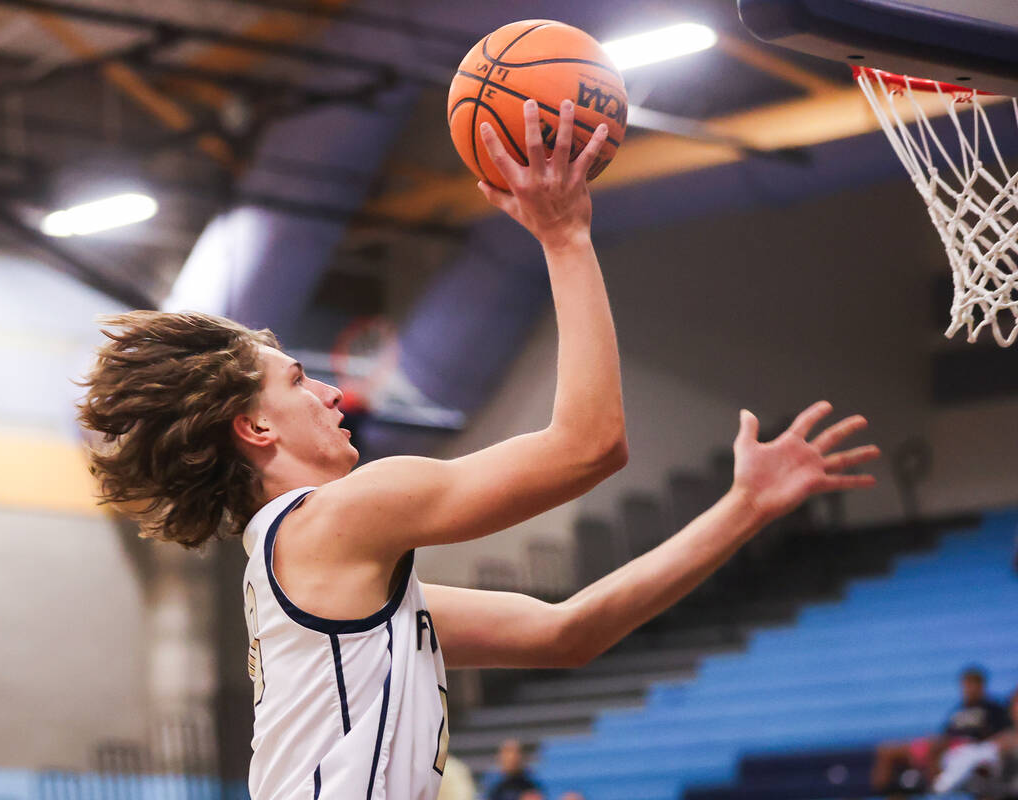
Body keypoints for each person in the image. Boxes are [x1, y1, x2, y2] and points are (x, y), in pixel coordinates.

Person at [78, 98, 880, 800]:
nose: (330, 393)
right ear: (255, 430)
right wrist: (564, 238)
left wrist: (744, 509)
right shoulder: (342, 517)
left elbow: (569, 634)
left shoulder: (332, 575)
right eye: (298, 382)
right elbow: (589, 447)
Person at [873, 665, 1011, 793]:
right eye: (966, 685)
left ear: (982, 686)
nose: (969, 689)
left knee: (936, 748)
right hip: (946, 745)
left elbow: (1000, 736)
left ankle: (936, 791)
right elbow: (946, 734)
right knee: (886, 750)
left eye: (973, 684)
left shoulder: (993, 709)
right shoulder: (957, 711)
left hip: (967, 749)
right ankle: (881, 793)